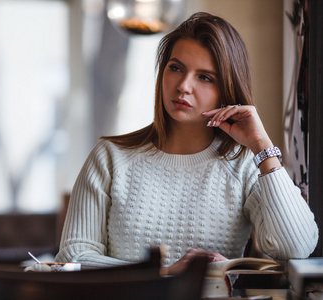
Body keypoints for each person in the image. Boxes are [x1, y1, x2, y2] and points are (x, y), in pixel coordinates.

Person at [55, 12, 318, 274]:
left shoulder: (244, 165)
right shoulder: (110, 157)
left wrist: (262, 147)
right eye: (176, 68)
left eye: (205, 77)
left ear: (227, 90)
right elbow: (74, 257)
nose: (183, 86)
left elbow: (296, 247)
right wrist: (166, 274)